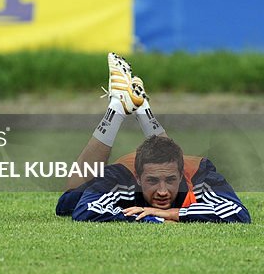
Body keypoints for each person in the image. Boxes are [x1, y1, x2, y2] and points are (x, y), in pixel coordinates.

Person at [56, 53, 250, 223]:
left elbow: (238, 213)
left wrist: (174, 214)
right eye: (152, 181)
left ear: (181, 175)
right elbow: (85, 210)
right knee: (68, 202)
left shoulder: (201, 173)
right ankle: (118, 109)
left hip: (180, 165)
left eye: (171, 180)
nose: (163, 191)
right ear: (138, 179)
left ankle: (138, 107)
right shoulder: (123, 177)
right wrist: (151, 218)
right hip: (130, 167)